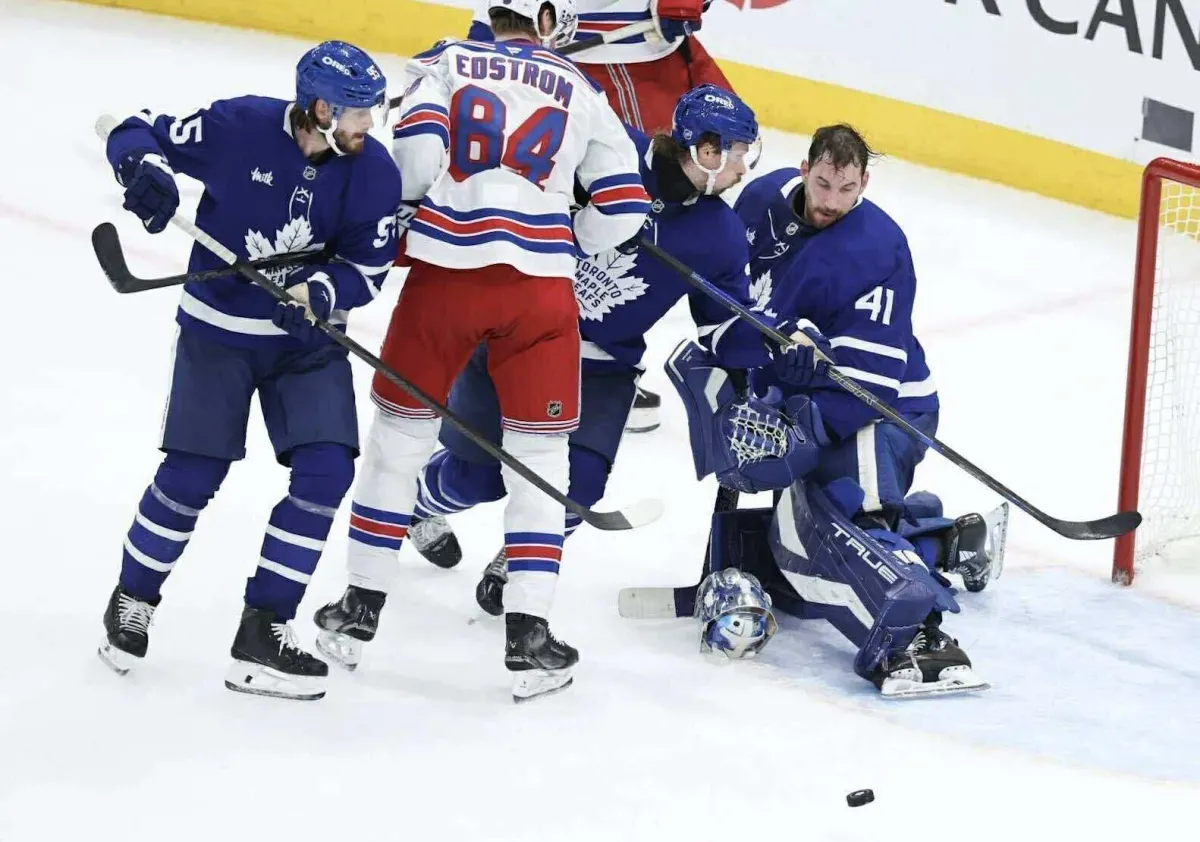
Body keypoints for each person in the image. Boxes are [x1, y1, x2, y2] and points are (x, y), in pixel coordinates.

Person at [312, 0, 650, 702]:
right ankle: (529, 636)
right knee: (539, 464)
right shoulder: (580, 86)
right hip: (541, 296)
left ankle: (359, 611)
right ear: (550, 18)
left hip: (445, 280)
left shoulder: (448, 61)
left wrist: (398, 223)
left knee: (397, 447)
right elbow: (622, 206)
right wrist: (569, 235)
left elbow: (416, 164)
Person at [386, 85, 769, 620]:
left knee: (578, 485)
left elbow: (724, 328)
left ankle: (515, 562)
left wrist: (770, 342)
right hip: (519, 330)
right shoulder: (606, 151)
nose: (743, 168)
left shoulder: (721, 234)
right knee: (478, 476)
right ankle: (417, 507)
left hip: (603, 368)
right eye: (737, 153)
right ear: (706, 150)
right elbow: (515, 173)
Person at [97, 41, 402, 701]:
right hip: (219, 334)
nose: (367, 126)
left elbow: (366, 267)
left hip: (306, 345)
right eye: (356, 113)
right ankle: (133, 598)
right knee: (191, 474)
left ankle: (264, 628)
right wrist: (143, 169)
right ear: (319, 109)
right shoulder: (239, 127)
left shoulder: (373, 171)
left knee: (326, 471)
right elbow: (135, 128)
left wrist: (323, 293)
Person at [731, 123, 998, 593]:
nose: (832, 202)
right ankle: (945, 536)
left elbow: (869, 384)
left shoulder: (878, 248)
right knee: (809, 541)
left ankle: (920, 624)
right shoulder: (759, 201)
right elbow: (734, 291)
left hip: (885, 408)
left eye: (847, 189)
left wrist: (801, 432)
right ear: (804, 170)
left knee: (850, 521)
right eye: (823, 184)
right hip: (812, 395)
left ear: (864, 186)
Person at [664, 338, 1008, 698]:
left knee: (855, 524)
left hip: (874, 411)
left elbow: (873, 363)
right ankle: (942, 544)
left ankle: (918, 634)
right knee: (800, 546)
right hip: (815, 408)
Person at [469, 0, 736, 433]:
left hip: (655, 59)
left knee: (703, 173)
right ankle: (527, 338)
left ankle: (593, 357)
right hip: (594, 63)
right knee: (600, 184)